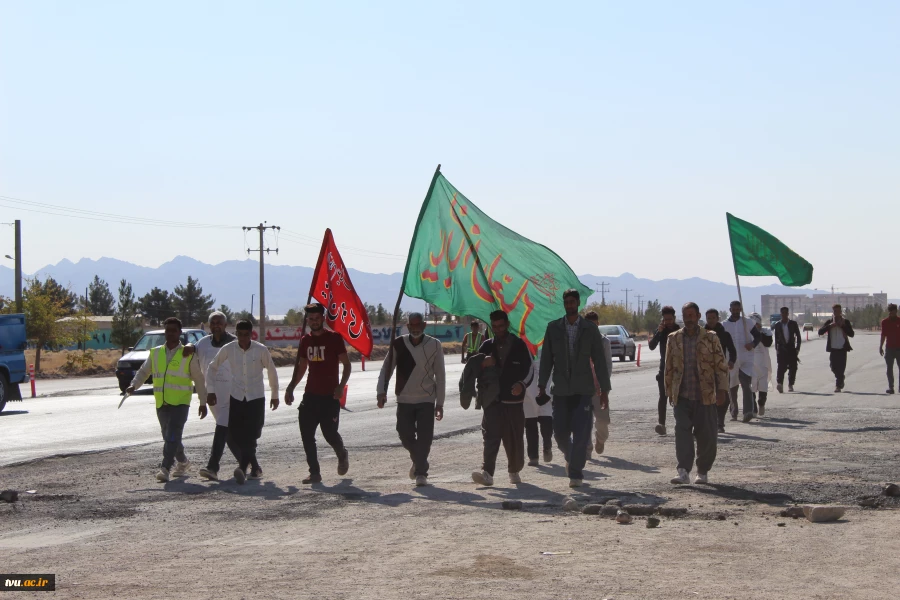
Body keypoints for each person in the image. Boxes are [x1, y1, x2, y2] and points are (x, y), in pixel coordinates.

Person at [538, 289, 611, 488]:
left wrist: (604, 390)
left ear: (578, 303)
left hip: (583, 390)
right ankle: (573, 458)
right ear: (564, 304)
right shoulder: (553, 328)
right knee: (560, 434)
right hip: (561, 391)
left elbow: (600, 361)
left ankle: (576, 473)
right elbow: (546, 360)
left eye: (573, 302)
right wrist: (541, 385)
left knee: (581, 433)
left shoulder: (589, 329)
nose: (569, 305)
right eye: (567, 302)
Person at [126, 317, 208, 483]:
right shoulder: (156, 353)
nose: (170, 333)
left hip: (180, 403)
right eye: (167, 330)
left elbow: (198, 379)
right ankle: (183, 462)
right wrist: (134, 385)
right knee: (168, 436)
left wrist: (203, 402)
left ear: (179, 333)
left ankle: (165, 467)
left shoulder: (188, 354)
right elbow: (143, 372)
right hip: (162, 402)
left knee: (172, 434)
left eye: (173, 330)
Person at [203, 320, 279, 484]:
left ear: (252, 334)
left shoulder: (261, 350)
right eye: (240, 335)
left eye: (246, 335)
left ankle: (243, 468)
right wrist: (210, 390)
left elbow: (271, 370)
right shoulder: (229, 349)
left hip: (256, 398)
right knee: (237, 435)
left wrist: (275, 394)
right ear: (235, 334)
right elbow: (212, 367)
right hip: (236, 397)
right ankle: (252, 468)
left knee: (252, 435)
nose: (243, 339)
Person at [376, 312, 446, 487]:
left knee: (425, 438)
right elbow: (387, 368)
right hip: (404, 398)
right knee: (404, 434)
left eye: (418, 325)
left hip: (426, 400)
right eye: (411, 325)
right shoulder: (398, 344)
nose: (415, 328)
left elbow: (441, 375)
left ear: (423, 326)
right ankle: (420, 460)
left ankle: (421, 472)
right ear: (408, 327)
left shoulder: (434, 345)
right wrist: (381, 391)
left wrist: (440, 403)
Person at [285, 303, 352, 484]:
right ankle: (314, 472)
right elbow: (301, 368)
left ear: (322, 318)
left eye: (317, 318)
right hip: (310, 396)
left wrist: (341, 386)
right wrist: (291, 387)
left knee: (329, 434)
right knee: (307, 435)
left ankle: (342, 453)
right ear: (307, 320)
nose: (314, 322)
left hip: (330, 397)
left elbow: (346, 365)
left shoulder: (335, 338)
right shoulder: (305, 341)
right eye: (311, 319)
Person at [664, 303, 729, 485]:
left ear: (698, 316)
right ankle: (683, 470)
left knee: (706, 435)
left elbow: (721, 366)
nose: (689, 319)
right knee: (682, 432)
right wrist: (669, 390)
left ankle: (702, 471)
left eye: (692, 315)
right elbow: (668, 367)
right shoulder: (674, 339)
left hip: (705, 395)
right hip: (682, 395)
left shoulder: (710, 338)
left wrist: (722, 390)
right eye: (686, 315)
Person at [470, 310, 533, 486]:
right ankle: (487, 473)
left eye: (501, 326)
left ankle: (514, 469)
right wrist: (483, 363)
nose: (498, 330)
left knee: (514, 439)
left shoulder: (519, 345)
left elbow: (530, 370)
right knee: (490, 437)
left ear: (507, 324)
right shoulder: (486, 346)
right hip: (492, 402)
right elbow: (473, 368)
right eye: (494, 326)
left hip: (513, 403)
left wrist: (521, 384)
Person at [195, 311, 241, 481]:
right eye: (213, 323)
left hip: (232, 395)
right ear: (209, 325)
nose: (216, 326)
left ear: (225, 324)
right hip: (213, 396)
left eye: (219, 322)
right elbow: (196, 365)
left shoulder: (235, 344)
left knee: (222, 427)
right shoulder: (202, 344)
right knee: (227, 433)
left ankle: (212, 467)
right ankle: (252, 465)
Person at [722, 300, 761, 423]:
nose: (735, 311)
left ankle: (748, 412)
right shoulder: (724, 325)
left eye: (737, 309)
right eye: (733, 309)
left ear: (740, 309)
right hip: (731, 359)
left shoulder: (747, 322)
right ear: (730, 310)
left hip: (746, 357)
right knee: (732, 387)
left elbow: (758, 336)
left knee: (746, 384)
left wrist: (752, 344)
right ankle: (734, 412)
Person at [584, 311, 612, 457]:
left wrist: (604, 386)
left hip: (599, 388)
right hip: (583, 388)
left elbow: (608, 364)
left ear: (598, 324)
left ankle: (600, 439)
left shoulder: (604, 342)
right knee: (584, 420)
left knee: (602, 420)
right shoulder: (579, 341)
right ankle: (587, 449)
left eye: (594, 325)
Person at [648, 306, 680, 435]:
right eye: (666, 319)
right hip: (664, 368)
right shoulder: (660, 331)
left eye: (670, 319)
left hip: (678, 368)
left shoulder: (680, 331)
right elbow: (651, 346)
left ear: (674, 318)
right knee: (663, 397)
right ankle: (662, 424)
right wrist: (659, 332)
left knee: (679, 397)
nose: (668, 322)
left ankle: (681, 425)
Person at [705, 309, 737, 434]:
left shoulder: (724, 334)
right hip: (705, 370)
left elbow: (732, 351)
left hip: (721, 369)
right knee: (708, 397)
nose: (711, 320)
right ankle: (710, 422)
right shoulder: (702, 334)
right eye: (709, 318)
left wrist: (731, 361)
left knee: (724, 397)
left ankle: (720, 422)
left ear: (717, 318)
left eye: (713, 318)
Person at [524, 351, 553, 466]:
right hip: (528, 387)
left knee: (545, 420)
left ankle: (547, 446)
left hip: (544, 385)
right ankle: (533, 456)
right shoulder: (523, 342)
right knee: (530, 423)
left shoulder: (544, 343)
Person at [818, 304, 855, 393]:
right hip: (833, 348)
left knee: (841, 368)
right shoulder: (829, 322)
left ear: (840, 311)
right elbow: (820, 332)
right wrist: (830, 326)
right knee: (833, 367)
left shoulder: (845, 322)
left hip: (842, 348)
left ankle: (838, 385)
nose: (836, 313)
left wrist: (842, 326)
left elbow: (851, 334)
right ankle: (841, 378)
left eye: (838, 311)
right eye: (834, 311)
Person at [748, 314, 773, 416]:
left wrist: (758, 333)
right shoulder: (746, 334)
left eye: (757, 324)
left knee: (763, 387)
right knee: (751, 388)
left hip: (763, 364)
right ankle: (753, 408)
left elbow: (768, 343)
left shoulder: (765, 332)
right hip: (750, 364)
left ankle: (761, 403)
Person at [773, 307, 802, 393]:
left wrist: (797, 348)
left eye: (786, 313)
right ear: (781, 314)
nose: (784, 314)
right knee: (781, 367)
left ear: (788, 314)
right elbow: (776, 337)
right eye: (783, 313)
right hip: (781, 349)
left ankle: (790, 384)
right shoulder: (777, 324)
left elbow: (798, 337)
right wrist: (777, 349)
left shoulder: (793, 324)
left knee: (793, 367)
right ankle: (780, 384)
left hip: (791, 349)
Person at [880, 304, 900, 394]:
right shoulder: (885, 322)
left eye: (892, 310)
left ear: (896, 311)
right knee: (889, 369)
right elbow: (883, 335)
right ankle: (891, 387)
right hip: (889, 348)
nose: (891, 312)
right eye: (889, 311)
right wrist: (881, 346)